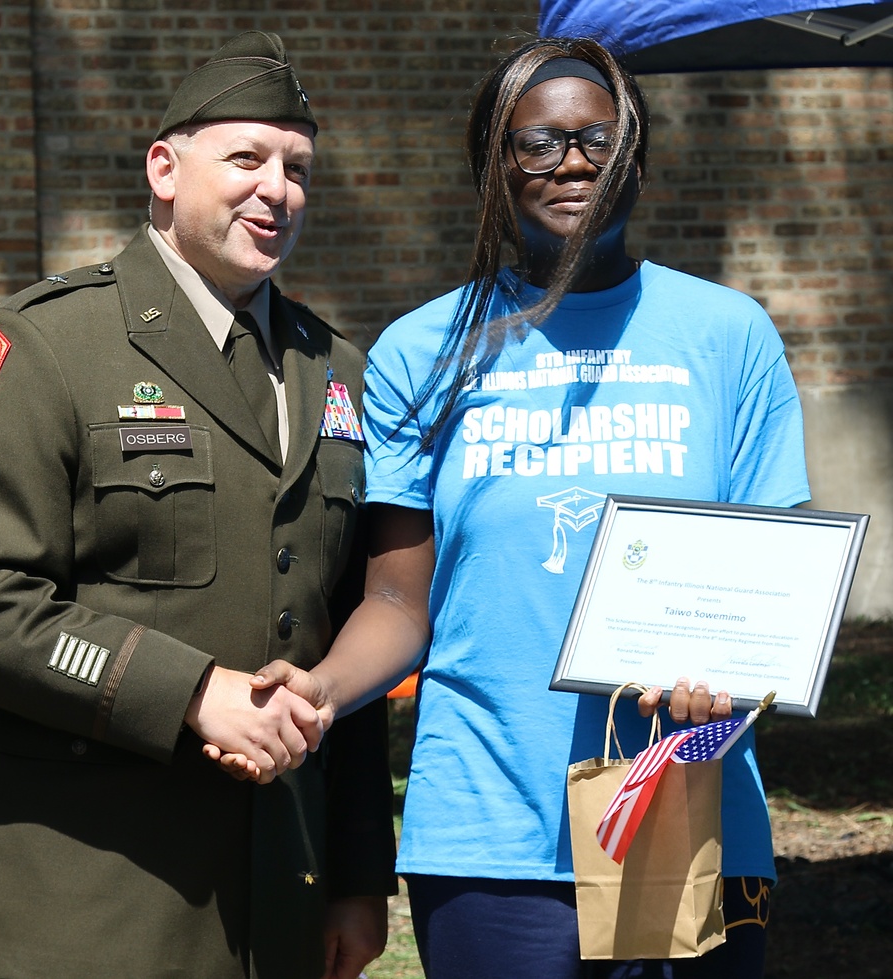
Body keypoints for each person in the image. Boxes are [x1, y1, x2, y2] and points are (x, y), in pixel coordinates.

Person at [221, 35, 810, 979]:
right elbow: (398, 604)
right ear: (491, 169)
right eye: (536, 143)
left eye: (597, 139)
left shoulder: (728, 336)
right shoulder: (422, 354)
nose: (571, 161)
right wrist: (322, 691)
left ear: (638, 160)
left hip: (685, 808)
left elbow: (770, 590)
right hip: (489, 826)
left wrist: (727, 675)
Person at [0, 30, 396, 979]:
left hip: (274, 893)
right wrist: (187, 692)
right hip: (87, 894)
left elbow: (330, 625)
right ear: (165, 169)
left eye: (297, 168)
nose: (277, 189)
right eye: (247, 158)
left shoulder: (334, 367)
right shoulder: (49, 344)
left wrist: (355, 875)